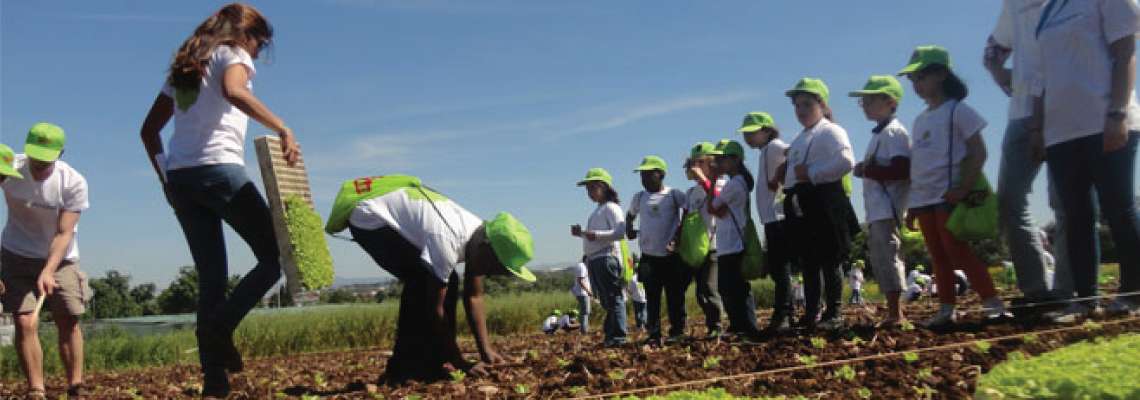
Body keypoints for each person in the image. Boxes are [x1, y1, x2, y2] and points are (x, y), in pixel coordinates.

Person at [137, 4, 297, 396]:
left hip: (181, 180)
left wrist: (165, 179)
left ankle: (214, 380)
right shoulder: (234, 52)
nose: (258, 53)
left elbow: (148, 132)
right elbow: (234, 91)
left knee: (211, 279)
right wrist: (283, 128)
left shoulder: (185, 68)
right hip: (219, 170)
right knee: (275, 255)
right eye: (261, 43)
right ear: (247, 34)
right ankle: (220, 327)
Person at [325, 174, 537, 382]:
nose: (491, 273)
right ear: (487, 248)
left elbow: (474, 297)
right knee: (421, 282)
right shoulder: (449, 239)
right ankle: (405, 369)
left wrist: (486, 351)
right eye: (496, 267)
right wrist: (459, 362)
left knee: (438, 280)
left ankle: (428, 363)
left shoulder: (481, 239)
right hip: (369, 218)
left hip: (386, 212)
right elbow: (436, 310)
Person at [1036, 0, 1140, 321]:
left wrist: (1118, 112)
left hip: (1104, 120)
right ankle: (1084, 300)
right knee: (1077, 215)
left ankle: (1134, 294)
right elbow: (1043, 77)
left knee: (1118, 208)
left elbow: (1125, 52)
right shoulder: (1049, 10)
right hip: (1060, 132)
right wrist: (1038, 128)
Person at [898, 45, 1010, 327]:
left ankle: (993, 304)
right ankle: (946, 310)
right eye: (913, 80)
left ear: (942, 74)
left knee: (957, 250)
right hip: (924, 199)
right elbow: (919, 167)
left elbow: (978, 152)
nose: (916, 84)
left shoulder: (958, 111)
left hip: (948, 196)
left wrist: (963, 188)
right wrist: (912, 204)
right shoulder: (920, 119)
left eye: (921, 77)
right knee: (937, 256)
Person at [1, 125, 90, 399]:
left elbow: (65, 233)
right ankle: (36, 389)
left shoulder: (73, 182)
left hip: (60, 259)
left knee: (68, 319)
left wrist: (49, 270)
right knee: (25, 322)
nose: (38, 165)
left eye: (45, 159)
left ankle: (76, 384)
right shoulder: (9, 167)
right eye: (34, 157)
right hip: (16, 254)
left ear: (59, 153)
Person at [985, 0, 1062, 307]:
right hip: (1021, 113)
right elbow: (993, 49)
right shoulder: (1014, 4)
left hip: (1067, 108)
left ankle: (1070, 290)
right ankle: (1037, 289)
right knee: (1010, 200)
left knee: (1065, 201)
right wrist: (998, 72)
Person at [782, 78, 860, 331]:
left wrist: (813, 173)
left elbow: (846, 161)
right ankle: (811, 312)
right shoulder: (799, 138)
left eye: (806, 104)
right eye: (796, 106)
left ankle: (834, 311)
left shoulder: (831, 131)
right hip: (803, 203)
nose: (801, 110)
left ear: (822, 104)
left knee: (829, 259)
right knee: (809, 262)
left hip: (825, 200)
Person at [849, 75, 912, 326]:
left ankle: (896, 313)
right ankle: (892, 311)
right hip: (877, 210)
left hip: (888, 209)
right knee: (881, 258)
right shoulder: (881, 134)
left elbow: (902, 170)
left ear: (890, 102)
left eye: (870, 100)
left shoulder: (894, 133)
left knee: (889, 256)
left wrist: (867, 171)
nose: (865, 104)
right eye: (863, 101)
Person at [696, 140, 762, 341]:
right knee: (731, 288)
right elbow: (719, 209)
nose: (718, 162)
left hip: (732, 243)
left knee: (735, 288)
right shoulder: (738, 182)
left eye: (722, 158)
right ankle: (740, 326)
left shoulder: (734, 184)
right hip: (728, 242)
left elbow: (713, 208)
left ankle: (746, 328)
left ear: (735, 160)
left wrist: (713, 181)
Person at [738, 113, 796, 333]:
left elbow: (791, 153)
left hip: (778, 217)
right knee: (779, 270)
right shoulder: (765, 151)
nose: (748, 137)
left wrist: (780, 176)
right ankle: (784, 313)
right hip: (771, 218)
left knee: (781, 270)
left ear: (767, 130)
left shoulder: (774, 147)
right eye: (746, 133)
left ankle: (784, 315)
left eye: (752, 132)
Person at [627, 156, 689, 345]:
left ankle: (677, 331)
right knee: (652, 298)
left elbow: (688, 213)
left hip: (670, 256)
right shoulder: (639, 197)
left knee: (674, 296)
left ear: (660, 174)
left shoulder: (674, 194)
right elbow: (629, 216)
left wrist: (678, 237)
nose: (644, 178)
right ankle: (653, 333)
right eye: (642, 175)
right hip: (648, 257)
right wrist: (629, 229)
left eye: (648, 174)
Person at [572, 168, 629, 347]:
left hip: (606, 257)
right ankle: (611, 334)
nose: (589, 193)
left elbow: (620, 232)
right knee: (607, 300)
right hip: (596, 259)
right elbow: (595, 236)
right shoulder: (599, 210)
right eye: (587, 189)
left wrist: (594, 235)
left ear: (603, 187)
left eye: (592, 188)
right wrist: (581, 234)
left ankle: (619, 336)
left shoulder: (611, 208)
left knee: (613, 298)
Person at [682, 142, 726, 339]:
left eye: (701, 162)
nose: (695, 167)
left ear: (712, 163)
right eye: (693, 163)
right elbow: (685, 216)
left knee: (709, 288)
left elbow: (718, 202)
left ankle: (718, 325)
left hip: (714, 245)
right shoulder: (691, 192)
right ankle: (712, 325)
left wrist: (704, 181)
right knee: (701, 292)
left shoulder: (721, 185)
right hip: (696, 247)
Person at [570, 258, 593, 334]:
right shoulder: (582, 266)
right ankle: (584, 330)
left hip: (583, 293)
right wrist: (588, 291)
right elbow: (580, 281)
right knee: (585, 311)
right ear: (587, 259)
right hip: (582, 293)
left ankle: (584, 328)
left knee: (586, 311)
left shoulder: (583, 266)